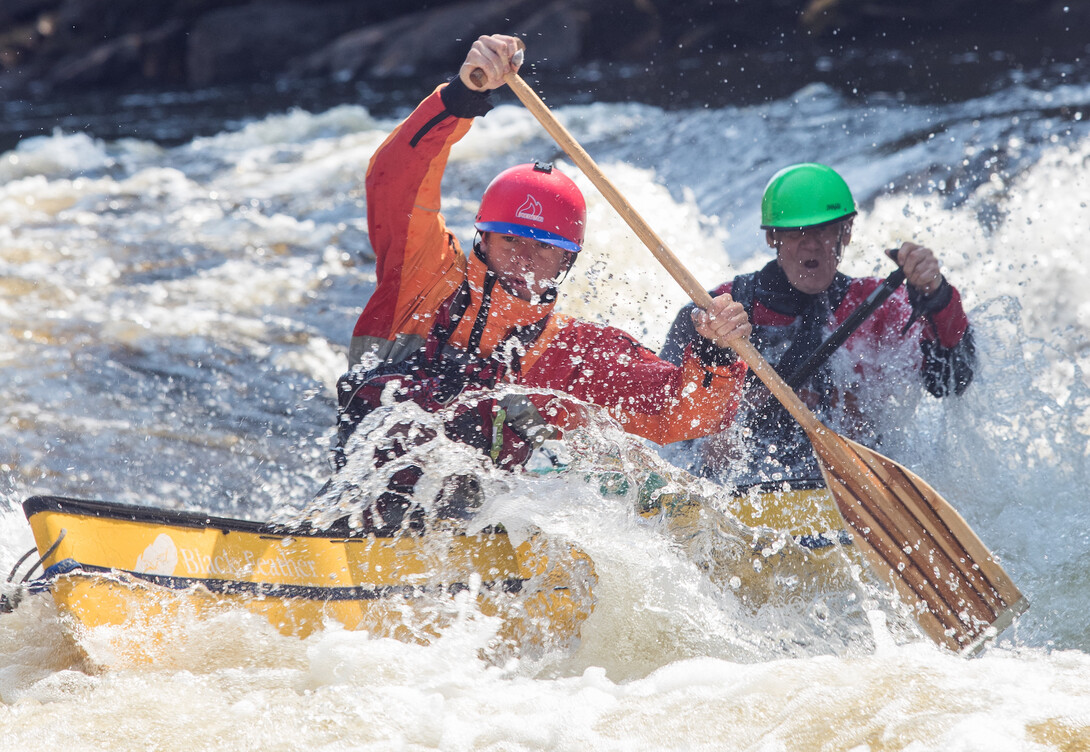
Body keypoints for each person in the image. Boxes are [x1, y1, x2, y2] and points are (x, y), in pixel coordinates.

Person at [332, 34, 752, 532]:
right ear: (482, 238)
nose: (525, 258)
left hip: (466, 541)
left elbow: (679, 416)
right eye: (511, 239)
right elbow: (394, 178)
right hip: (357, 508)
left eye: (544, 248)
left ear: (566, 263)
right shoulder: (423, 276)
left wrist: (717, 356)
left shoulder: (575, 354)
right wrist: (460, 99)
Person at [660, 162, 975, 484]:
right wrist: (713, 351)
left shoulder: (881, 309)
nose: (812, 243)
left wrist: (935, 296)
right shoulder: (716, 310)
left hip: (851, 488)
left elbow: (953, 379)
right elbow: (663, 419)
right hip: (744, 489)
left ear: (847, 232)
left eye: (824, 230)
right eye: (797, 232)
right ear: (772, 237)